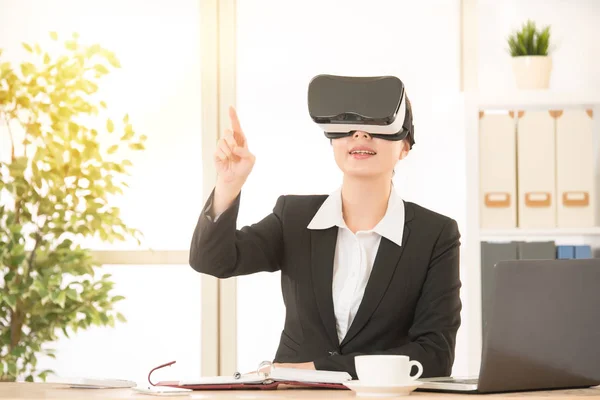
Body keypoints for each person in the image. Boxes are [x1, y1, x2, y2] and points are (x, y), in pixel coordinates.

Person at [189, 100, 461, 379]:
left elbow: (435, 355)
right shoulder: (294, 217)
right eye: (348, 125)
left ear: (405, 145)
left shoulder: (435, 235)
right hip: (294, 397)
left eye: (378, 124)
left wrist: (321, 370)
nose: (361, 134)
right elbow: (211, 260)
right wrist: (228, 185)